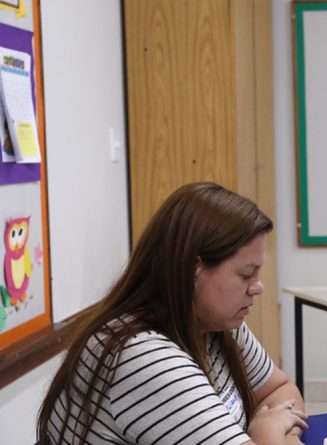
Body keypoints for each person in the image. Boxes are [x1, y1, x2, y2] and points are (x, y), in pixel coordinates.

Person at [37, 182, 308, 445]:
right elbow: (276, 409)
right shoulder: (142, 358)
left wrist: (287, 434)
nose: (258, 287)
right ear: (194, 270)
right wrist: (266, 428)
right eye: (246, 274)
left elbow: (279, 390)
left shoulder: (217, 322)